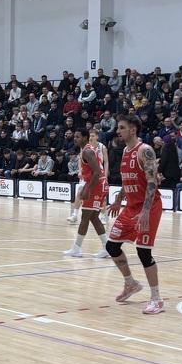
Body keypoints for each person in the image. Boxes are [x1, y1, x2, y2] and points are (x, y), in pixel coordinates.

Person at [105, 114, 165, 314]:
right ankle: (130, 283)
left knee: (144, 252)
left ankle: (157, 299)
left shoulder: (145, 150)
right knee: (112, 246)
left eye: (121, 127)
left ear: (133, 130)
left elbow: (152, 181)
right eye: (118, 127)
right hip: (131, 207)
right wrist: (118, 199)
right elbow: (127, 179)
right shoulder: (125, 150)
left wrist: (146, 211)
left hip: (149, 207)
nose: (118, 131)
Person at [63, 127, 109, 259]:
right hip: (100, 184)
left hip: (96, 184)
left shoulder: (87, 151)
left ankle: (77, 248)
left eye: (77, 137)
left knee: (85, 216)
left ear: (85, 138)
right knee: (94, 217)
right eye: (75, 136)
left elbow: (97, 171)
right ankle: (107, 247)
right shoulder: (87, 150)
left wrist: (88, 189)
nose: (75, 139)